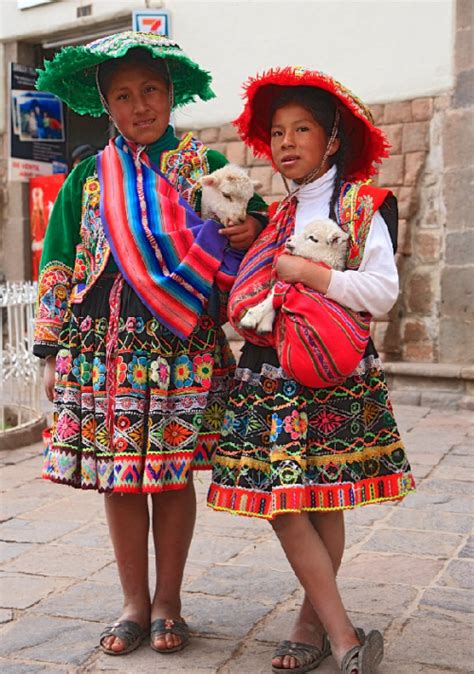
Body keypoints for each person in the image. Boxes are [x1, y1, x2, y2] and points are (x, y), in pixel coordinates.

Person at [33, 31, 267, 657]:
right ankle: (133, 603)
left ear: (171, 95)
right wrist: (52, 350)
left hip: (179, 347)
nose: (141, 106)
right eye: (124, 96)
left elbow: (260, 230)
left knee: (167, 477)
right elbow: (59, 261)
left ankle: (169, 602)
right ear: (105, 106)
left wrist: (248, 229)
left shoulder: (205, 168)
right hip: (100, 347)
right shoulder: (86, 177)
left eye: (152, 91)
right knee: (119, 478)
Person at [207, 66, 415, 674]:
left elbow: (381, 291)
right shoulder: (272, 216)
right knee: (280, 501)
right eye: (278, 132)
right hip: (269, 372)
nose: (288, 142)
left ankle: (319, 628)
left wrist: (311, 275)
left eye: (303, 130)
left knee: (321, 500)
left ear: (331, 141)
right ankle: (341, 632)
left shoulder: (362, 206)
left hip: (331, 374)